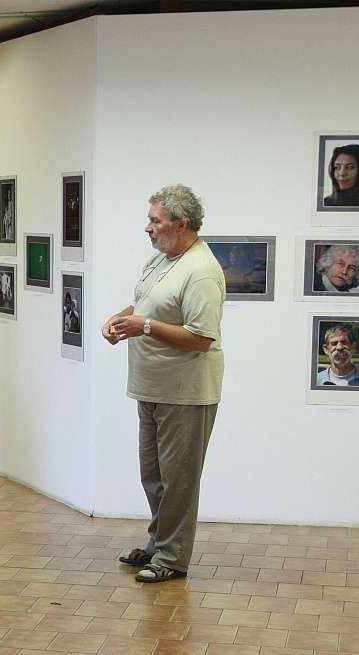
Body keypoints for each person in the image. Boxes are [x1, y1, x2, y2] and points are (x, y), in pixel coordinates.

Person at [101, 184, 225, 584]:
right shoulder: (162, 261)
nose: (148, 228)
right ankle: (158, 545)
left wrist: (145, 327)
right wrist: (122, 320)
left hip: (185, 393)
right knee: (154, 475)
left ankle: (172, 558)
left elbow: (201, 338)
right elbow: (145, 307)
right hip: (152, 386)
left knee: (179, 479)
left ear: (181, 223)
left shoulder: (201, 271)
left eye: (155, 220)